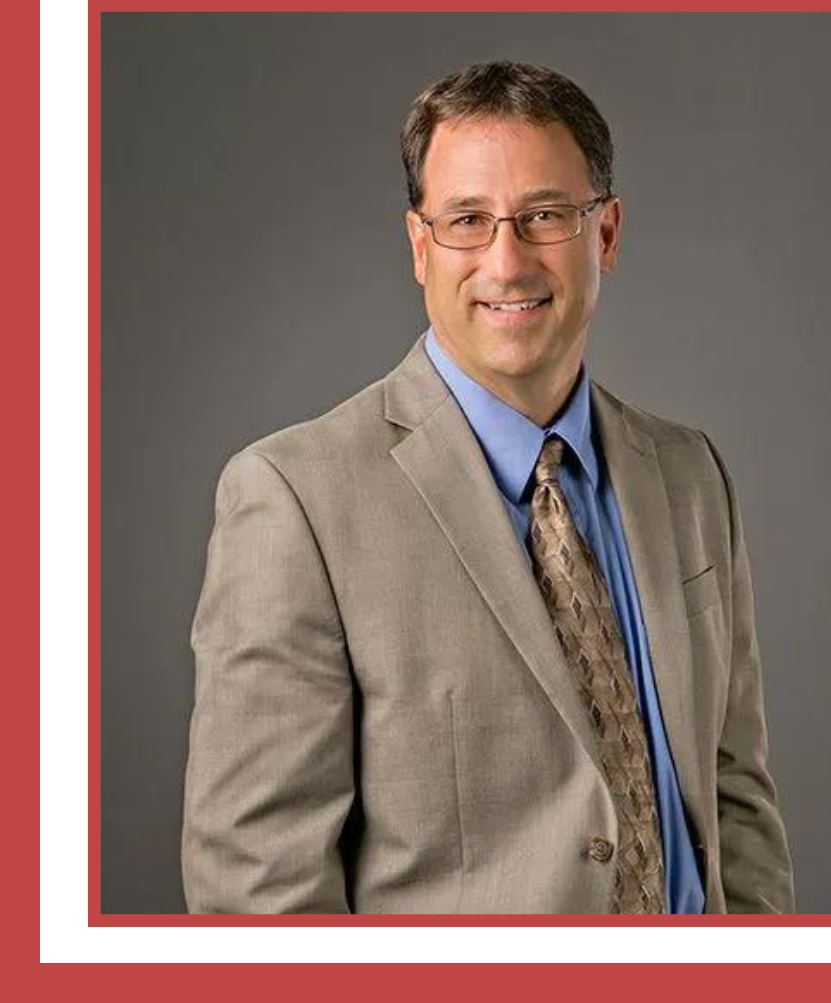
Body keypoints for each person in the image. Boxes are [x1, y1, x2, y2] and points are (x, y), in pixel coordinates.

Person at [181, 60, 794, 915]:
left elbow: (737, 799)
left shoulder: (689, 475)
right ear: (420, 245)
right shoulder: (295, 499)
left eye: (545, 215)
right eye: (468, 220)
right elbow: (258, 890)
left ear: (606, 234)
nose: (507, 262)